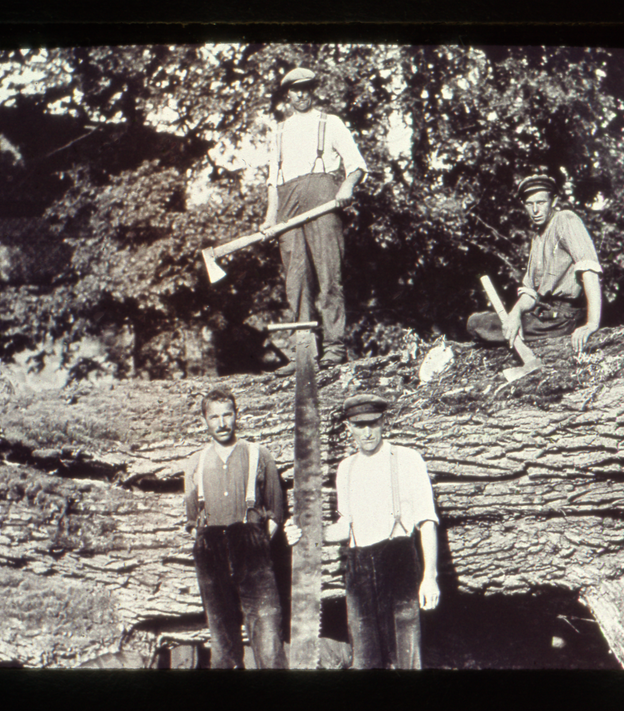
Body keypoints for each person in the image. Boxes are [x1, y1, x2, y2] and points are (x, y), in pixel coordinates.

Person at [260, 67, 368, 374]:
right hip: (287, 204)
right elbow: (272, 180)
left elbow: (356, 164)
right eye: (296, 90)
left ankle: (334, 348)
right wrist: (270, 218)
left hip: (323, 198)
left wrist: (346, 187)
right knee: (296, 281)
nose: (302, 94)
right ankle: (302, 352)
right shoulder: (279, 131)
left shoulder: (329, 122)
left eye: (307, 88)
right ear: (287, 95)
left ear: (313, 91)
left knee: (328, 276)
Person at [183, 387, 299, 668]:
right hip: (212, 551)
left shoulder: (258, 455)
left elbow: (275, 512)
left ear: (236, 416)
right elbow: (191, 520)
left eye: (227, 415)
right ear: (204, 421)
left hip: (251, 548)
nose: (222, 423)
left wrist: (256, 542)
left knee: (267, 631)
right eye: (214, 417)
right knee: (221, 637)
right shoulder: (195, 462)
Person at [323, 393, 440, 669]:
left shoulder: (406, 459)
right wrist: (312, 534)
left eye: (373, 424)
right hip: (358, 571)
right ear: (348, 427)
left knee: (405, 658)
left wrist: (430, 577)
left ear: (383, 422)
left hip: (398, 565)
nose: (367, 432)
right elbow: (345, 526)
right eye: (359, 425)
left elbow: (427, 521)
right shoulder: (346, 469)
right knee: (364, 659)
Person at [466, 173, 603, 353]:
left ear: (553, 201)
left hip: (562, 319)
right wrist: (515, 314)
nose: (535, 210)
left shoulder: (566, 220)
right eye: (530, 204)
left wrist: (591, 323)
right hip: (542, 314)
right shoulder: (537, 237)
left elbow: (589, 271)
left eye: (541, 202)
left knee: (479, 324)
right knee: (477, 321)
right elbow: (530, 293)